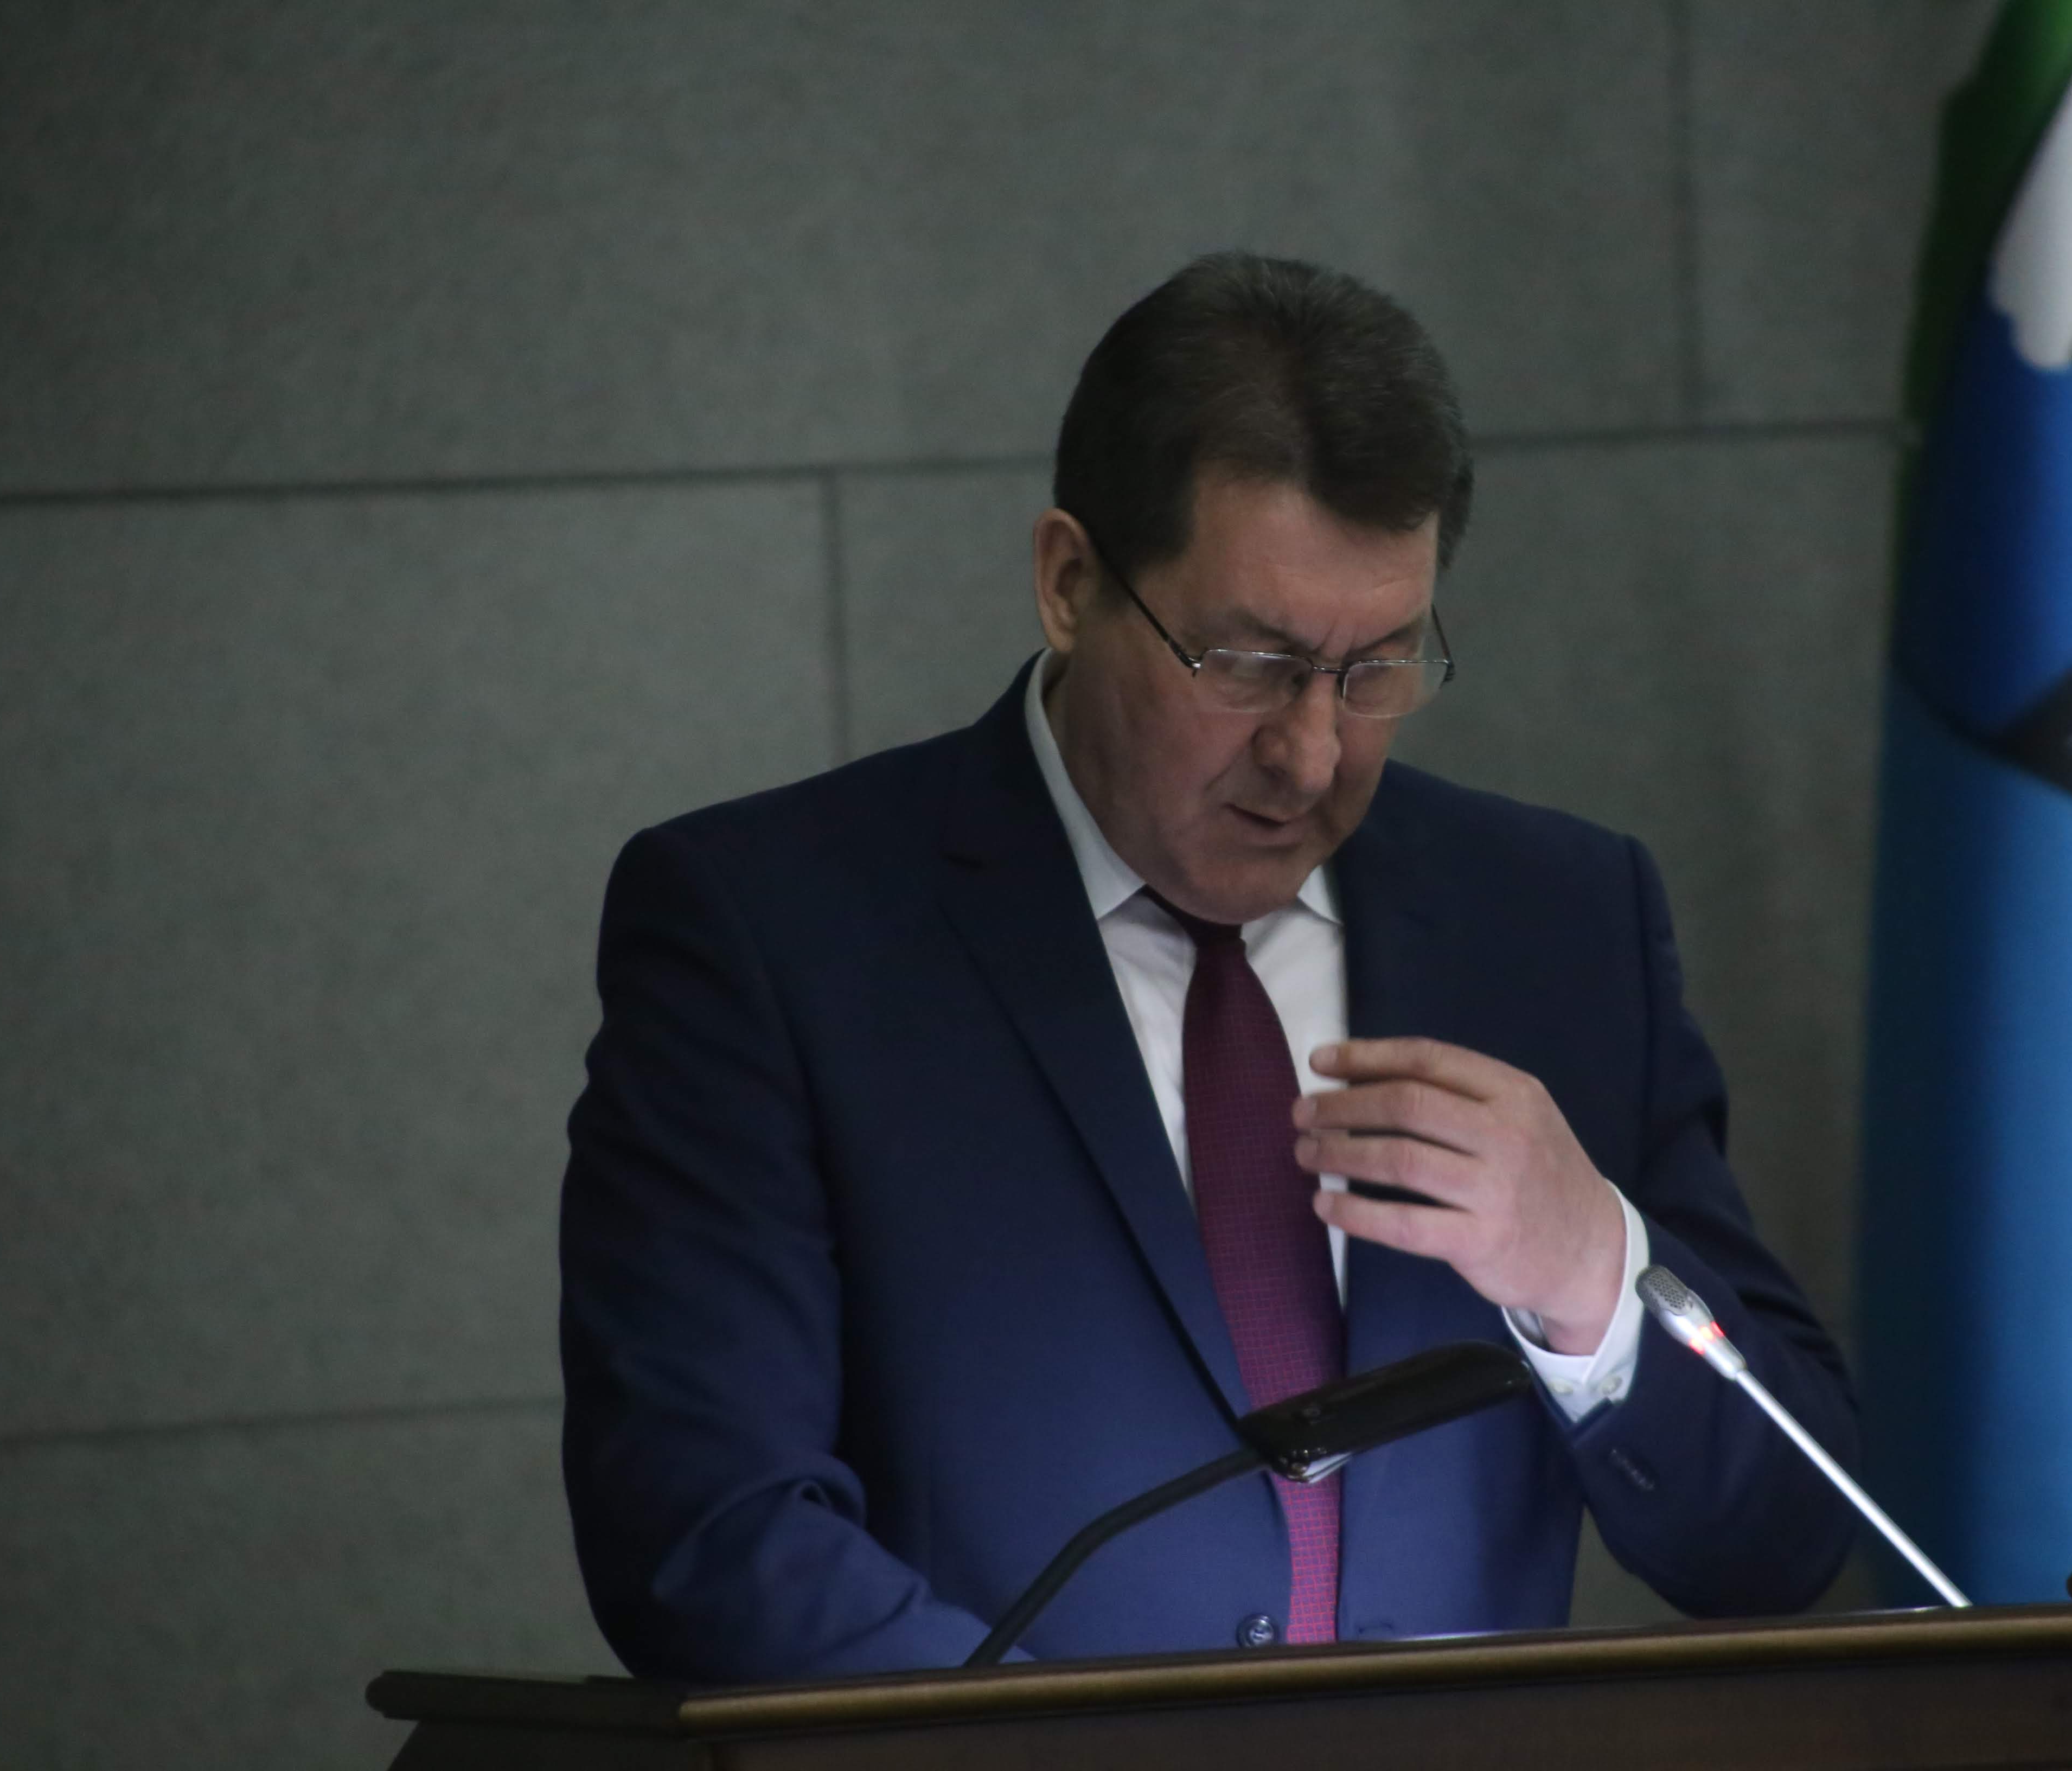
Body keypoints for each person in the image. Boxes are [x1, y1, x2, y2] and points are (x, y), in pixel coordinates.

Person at [559, 252, 1858, 1682]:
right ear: (1070, 583)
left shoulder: (1553, 923)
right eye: (1247, 663)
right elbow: (710, 1530)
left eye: (1377, 667)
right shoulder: (771, 930)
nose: (1311, 752)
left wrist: (1594, 1272)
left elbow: (1782, 1542)